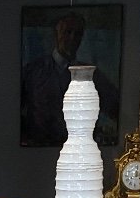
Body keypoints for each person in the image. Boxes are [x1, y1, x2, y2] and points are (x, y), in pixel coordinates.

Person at [20, 11, 119, 147]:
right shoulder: (33, 71)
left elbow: (115, 107)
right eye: (68, 32)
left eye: (78, 34)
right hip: (38, 151)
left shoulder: (92, 75)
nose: (73, 38)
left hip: (81, 151)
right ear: (56, 34)